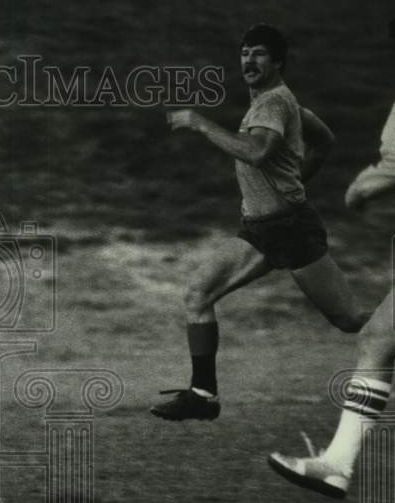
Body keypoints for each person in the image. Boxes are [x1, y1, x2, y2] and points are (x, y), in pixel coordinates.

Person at [268, 3, 395, 497]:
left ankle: (336, 465)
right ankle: (335, 464)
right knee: (378, 339)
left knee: (377, 343)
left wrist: (361, 188)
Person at [152, 24, 368, 421]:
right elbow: (326, 140)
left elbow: (256, 152)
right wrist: (295, 182)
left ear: (279, 61)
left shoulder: (273, 103)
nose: (249, 60)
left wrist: (200, 123)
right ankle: (203, 395)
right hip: (260, 230)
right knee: (198, 294)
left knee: (350, 321)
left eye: (260, 54)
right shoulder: (285, 106)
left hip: (291, 229)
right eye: (245, 53)